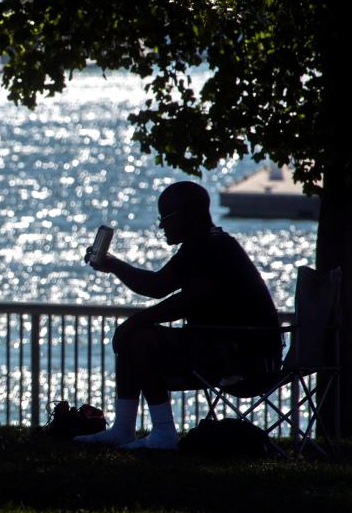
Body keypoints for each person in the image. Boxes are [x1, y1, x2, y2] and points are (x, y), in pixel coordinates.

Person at [77, 181, 280, 450]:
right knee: (133, 335)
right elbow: (158, 286)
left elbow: (183, 300)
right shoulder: (207, 245)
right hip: (231, 350)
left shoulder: (211, 248)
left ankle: (162, 434)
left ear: (190, 215)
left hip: (244, 360)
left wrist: (133, 322)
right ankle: (123, 429)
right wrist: (113, 265)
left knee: (139, 338)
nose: (161, 226)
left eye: (166, 217)